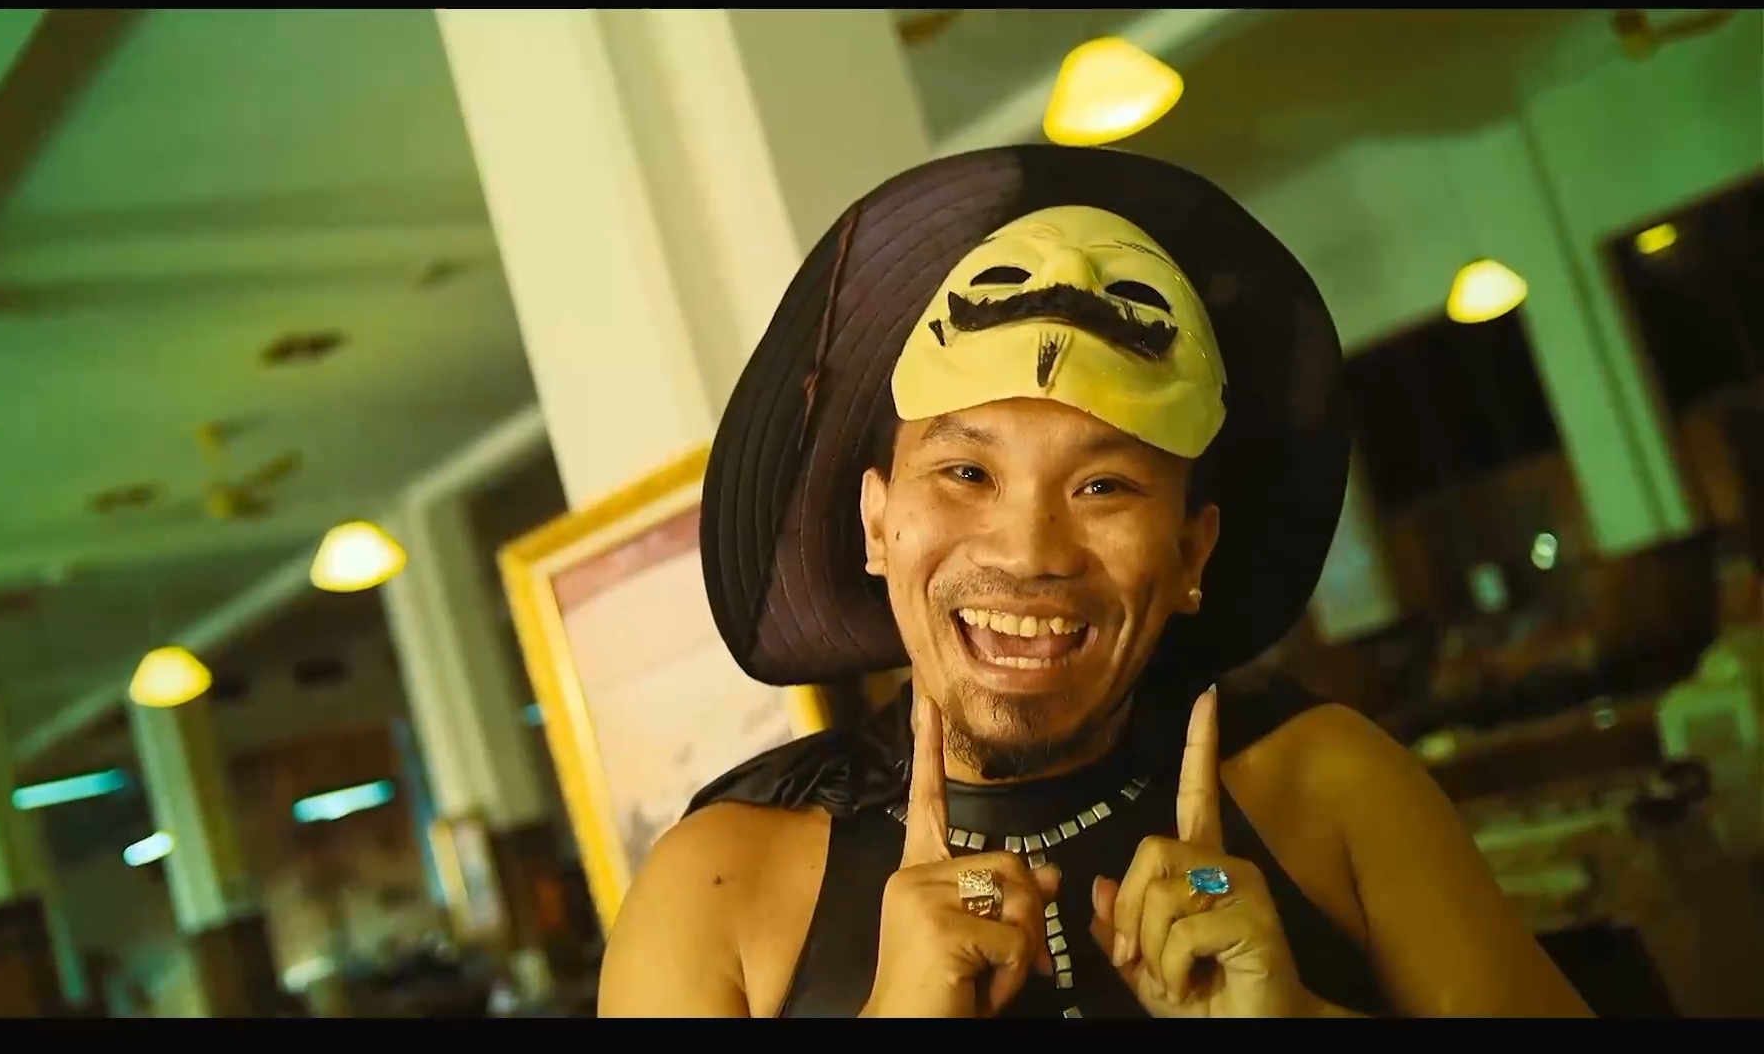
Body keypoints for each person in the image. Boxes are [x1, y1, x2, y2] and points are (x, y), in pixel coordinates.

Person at [597, 145, 1592, 1018]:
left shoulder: (1331, 791)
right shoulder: (717, 889)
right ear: (875, 526)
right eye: (966, 472)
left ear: (1192, 553)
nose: (1030, 552)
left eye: (1103, 486)